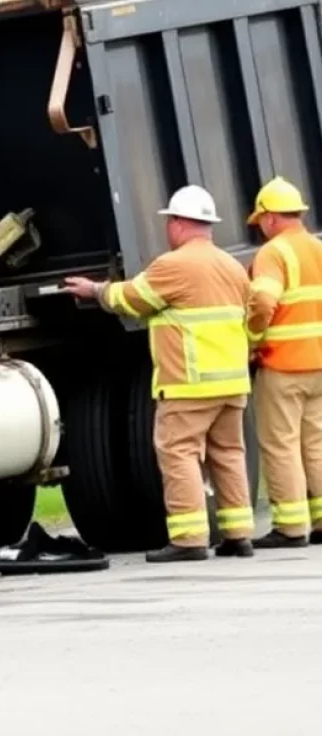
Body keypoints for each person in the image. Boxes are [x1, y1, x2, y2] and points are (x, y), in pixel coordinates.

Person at [63, 185, 255, 563]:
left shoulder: (173, 266)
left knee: (178, 452)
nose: (168, 228)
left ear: (181, 224)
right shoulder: (233, 266)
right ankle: (239, 535)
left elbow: (131, 299)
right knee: (229, 455)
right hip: (232, 383)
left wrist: (94, 290)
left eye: (170, 221)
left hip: (189, 383)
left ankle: (189, 539)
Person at [245, 176, 322, 549]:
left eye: (260, 220)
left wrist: (253, 339)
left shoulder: (273, 253)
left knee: (281, 445)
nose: (259, 228)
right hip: (319, 365)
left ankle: (291, 527)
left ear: (271, 217)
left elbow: (262, 302)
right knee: (316, 444)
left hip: (283, 365)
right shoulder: (317, 248)